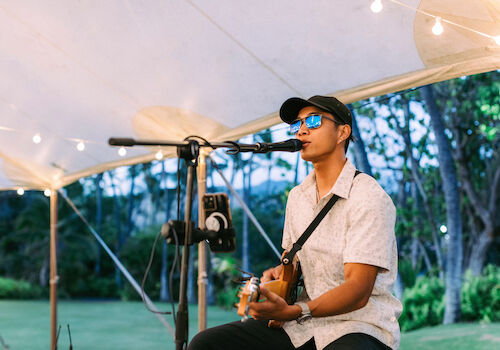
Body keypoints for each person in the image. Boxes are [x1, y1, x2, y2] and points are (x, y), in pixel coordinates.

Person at [188, 95, 402, 350]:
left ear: (342, 132)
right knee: (206, 344)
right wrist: (277, 278)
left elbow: (358, 289)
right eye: (297, 124)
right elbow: (293, 264)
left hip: (358, 326)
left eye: (313, 121)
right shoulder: (297, 197)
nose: (301, 130)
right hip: (302, 327)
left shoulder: (368, 196)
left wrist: (297, 310)